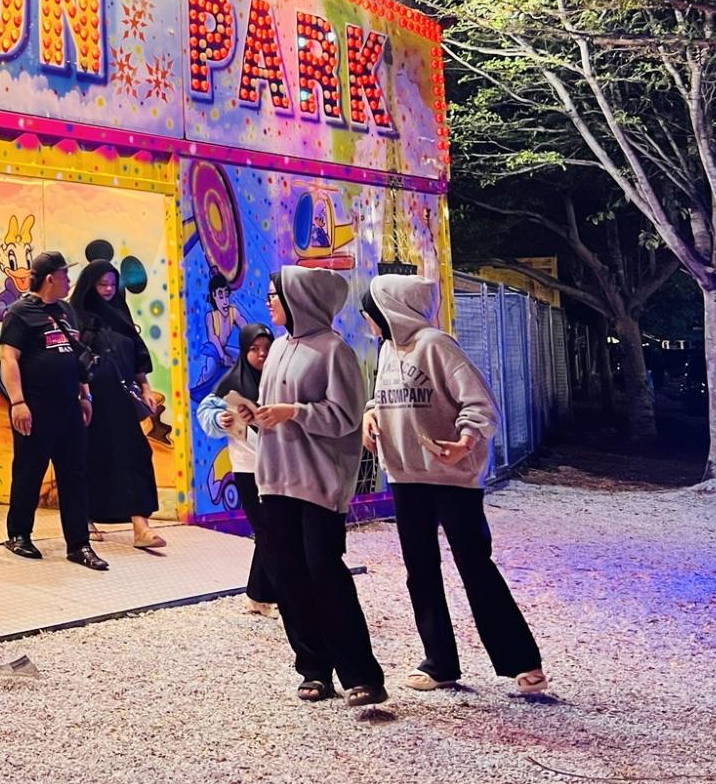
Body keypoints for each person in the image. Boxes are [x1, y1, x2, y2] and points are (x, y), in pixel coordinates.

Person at [362, 276, 549, 696]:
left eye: (370, 310)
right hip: (406, 476)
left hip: (452, 478)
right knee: (421, 572)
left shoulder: (435, 344)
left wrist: (465, 439)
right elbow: (389, 397)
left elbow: (480, 403)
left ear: (389, 309)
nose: (367, 320)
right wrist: (370, 414)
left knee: (475, 566)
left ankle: (521, 661)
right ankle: (440, 662)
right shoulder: (390, 349)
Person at [252, 266, 386, 706]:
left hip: (318, 482)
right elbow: (275, 410)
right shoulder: (275, 351)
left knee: (325, 573)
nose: (270, 301)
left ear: (300, 300)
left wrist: (295, 412)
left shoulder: (334, 351)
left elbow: (345, 417)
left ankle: (361, 674)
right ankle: (312, 668)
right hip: (274, 479)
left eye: (276, 294)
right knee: (287, 576)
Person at [0, 251, 109, 570]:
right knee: (29, 472)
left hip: (69, 409)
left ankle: (78, 544)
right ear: (50, 278)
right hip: (36, 409)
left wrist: (85, 395)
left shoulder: (66, 312)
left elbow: (76, 356)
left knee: (75, 475)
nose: (69, 280)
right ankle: (18, 533)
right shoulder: (20, 313)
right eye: (65, 274)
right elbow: (9, 359)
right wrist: (18, 402)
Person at [70, 260, 168, 551]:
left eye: (112, 283)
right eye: (102, 284)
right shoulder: (77, 316)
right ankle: (83, 518)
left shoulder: (121, 315)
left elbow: (138, 357)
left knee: (137, 454)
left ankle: (141, 526)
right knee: (89, 458)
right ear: (90, 285)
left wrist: (146, 388)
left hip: (122, 400)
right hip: (89, 402)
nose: (109, 289)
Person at [197, 321, 277, 615]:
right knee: (267, 530)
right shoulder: (231, 382)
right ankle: (275, 594)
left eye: (267, 349)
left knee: (272, 532)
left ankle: (259, 595)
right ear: (243, 351)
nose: (261, 355)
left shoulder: (279, 379)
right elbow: (207, 411)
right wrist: (221, 421)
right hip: (247, 466)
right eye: (254, 349)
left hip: (280, 466)